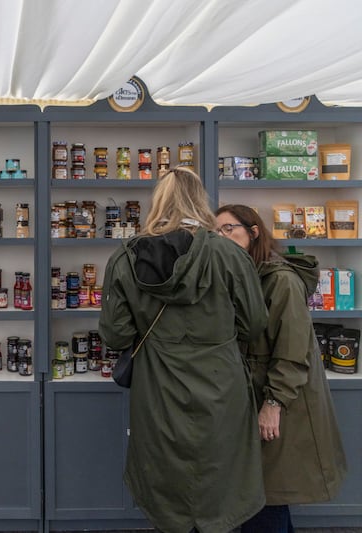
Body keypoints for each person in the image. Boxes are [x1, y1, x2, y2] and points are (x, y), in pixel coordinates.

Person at [99, 167, 269, 533]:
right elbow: (255, 324)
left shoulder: (126, 257)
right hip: (221, 385)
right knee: (221, 484)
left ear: (158, 202)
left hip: (158, 387)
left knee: (166, 486)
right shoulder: (229, 255)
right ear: (201, 200)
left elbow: (115, 335)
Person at [215, 204, 347, 533]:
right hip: (259, 395)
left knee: (266, 493)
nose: (221, 237)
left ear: (254, 231)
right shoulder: (246, 275)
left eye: (228, 229)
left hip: (282, 402)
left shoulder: (281, 280)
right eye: (215, 232)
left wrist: (272, 404)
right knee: (265, 492)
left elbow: (292, 352)